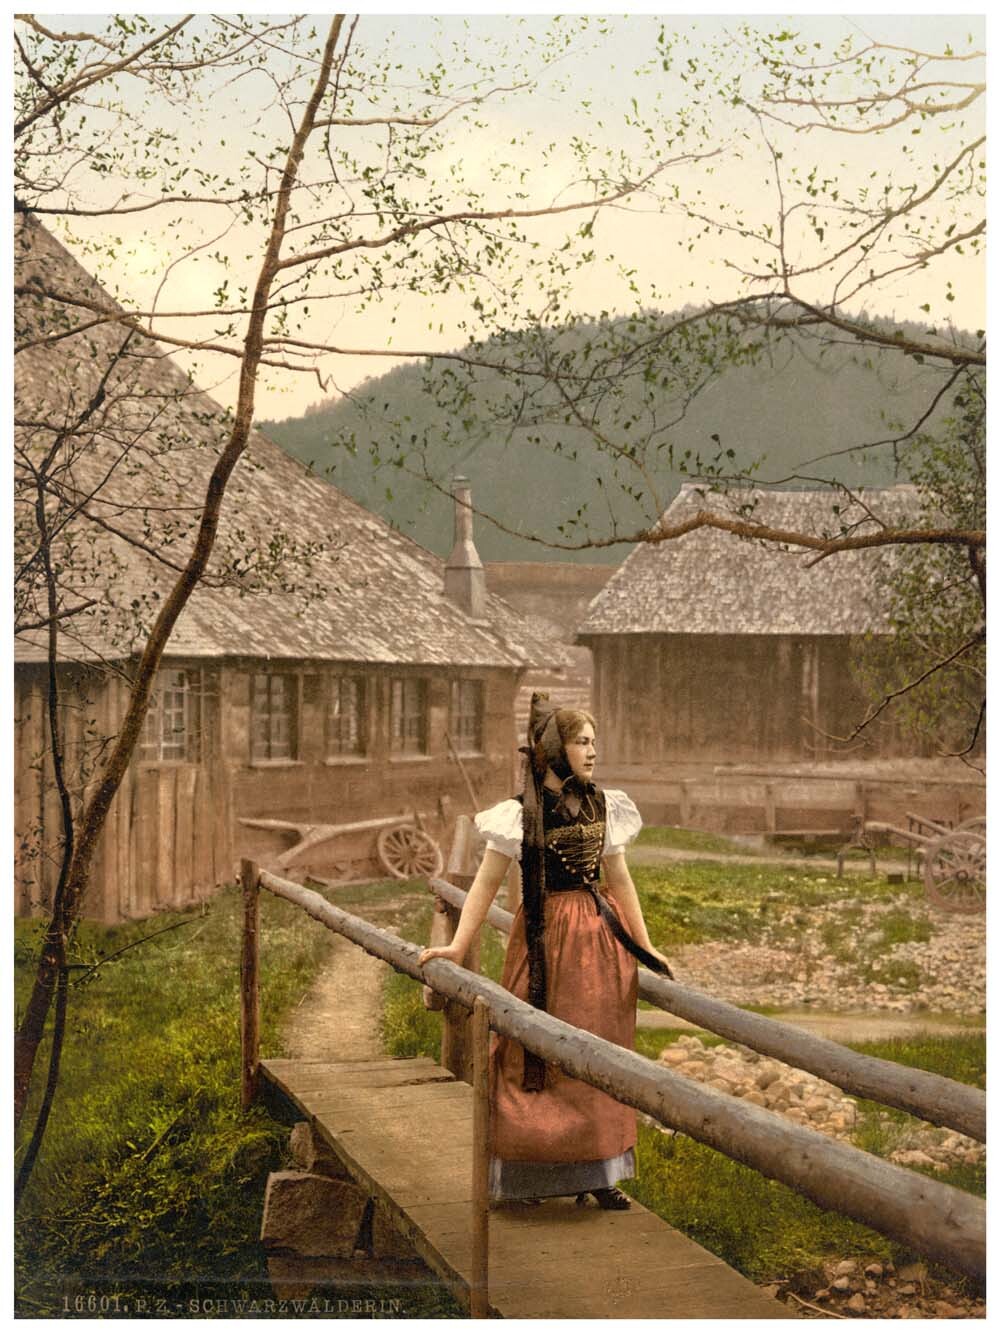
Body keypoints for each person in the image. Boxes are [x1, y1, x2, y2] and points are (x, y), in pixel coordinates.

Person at [419, 697, 672, 1209]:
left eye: (594, 743)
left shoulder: (605, 805)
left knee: (600, 1053)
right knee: (529, 1052)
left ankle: (598, 1175)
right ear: (556, 750)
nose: (592, 752)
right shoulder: (519, 814)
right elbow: (485, 887)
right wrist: (457, 945)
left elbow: (620, 881)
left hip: (601, 945)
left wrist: (644, 947)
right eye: (582, 742)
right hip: (545, 943)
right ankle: (526, 1177)